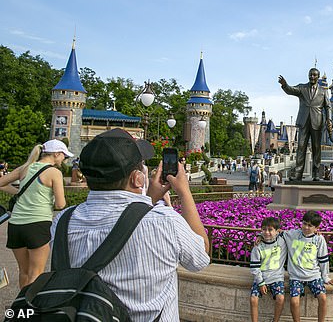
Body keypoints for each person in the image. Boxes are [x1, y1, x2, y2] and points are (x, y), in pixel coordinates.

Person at [51, 128, 210, 321]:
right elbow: (200, 257)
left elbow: (129, 223)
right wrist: (184, 192)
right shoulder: (165, 221)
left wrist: (149, 198)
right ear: (137, 178)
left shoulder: (63, 221)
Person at [0, 140, 70, 288]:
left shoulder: (25, 168)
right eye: (64, 155)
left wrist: (19, 192)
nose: (64, 159)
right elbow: (60, 204)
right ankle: (30, 308)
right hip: (38, 225)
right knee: (35, 274)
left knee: (24, 272)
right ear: (57, 154)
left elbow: (1, 183)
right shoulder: (54, 173)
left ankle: (21, 308)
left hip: (15, 225)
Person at [279, 69, 333, 181]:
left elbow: (328, 106)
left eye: (314, 75)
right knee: (301, 147)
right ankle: (298, 173)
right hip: (303, 121)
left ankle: (316, 174)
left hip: (317, 122)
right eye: (310, 75)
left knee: (316, 148)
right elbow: (291, 90)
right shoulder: (302, 88)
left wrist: (329, 119)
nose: (312, 77)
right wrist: (285, 85)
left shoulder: (323, 91)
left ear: (318, 77)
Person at [284, 210, 333, 322]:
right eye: (304, 223)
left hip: (314, 276)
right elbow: (275, 233)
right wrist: (260, 236)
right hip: (296, 277)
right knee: (294, 301)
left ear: (316, 228)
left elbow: (323, 259)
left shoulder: (319, 239)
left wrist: (325, 276)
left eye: (310, 226)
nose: (306, 227)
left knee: (323, 298)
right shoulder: (292, 234)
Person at [250, 217, 287, 322]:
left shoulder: (282, 241)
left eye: (270, 230)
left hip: (276, 278)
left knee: (280, 298)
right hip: (261, 278)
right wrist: (261, 283)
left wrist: (316, 233)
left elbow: (297, 234)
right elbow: (255, 268)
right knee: (253, 299)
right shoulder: (257, 246)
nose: (267, 232)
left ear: (277, 231)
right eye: (264, 229)